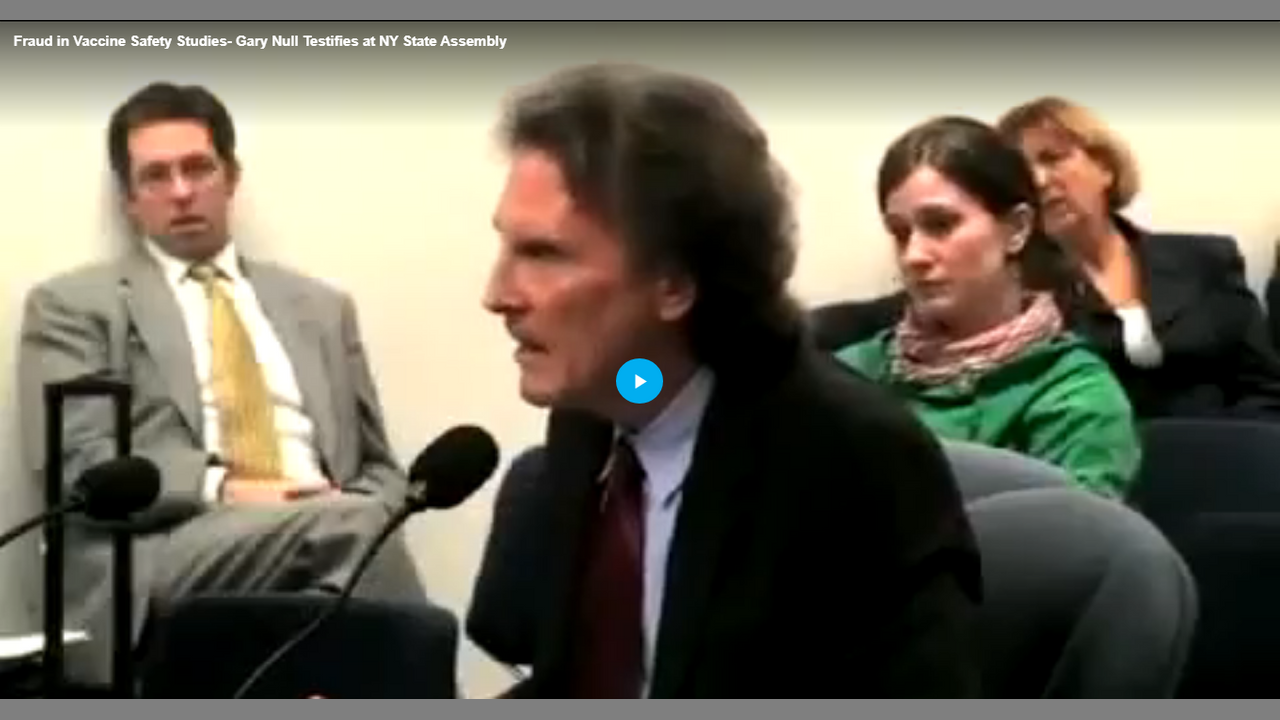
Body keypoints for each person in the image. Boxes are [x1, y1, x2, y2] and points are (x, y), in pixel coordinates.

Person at [478, 63, 982, 699]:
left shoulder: (850, 462)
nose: (497, 295)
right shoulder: (614, 402)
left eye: (543, 254)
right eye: (507, 247)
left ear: (674, 283)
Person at [17, 82, 425, 687]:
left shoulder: (321, 308)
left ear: (230, 177)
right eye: (156, 176)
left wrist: (352, 505)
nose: (181, 191)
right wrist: (228, 489)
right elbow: (79, 469)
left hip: (328, 528)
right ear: (129, 199)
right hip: (165, 545)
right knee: (357, 533)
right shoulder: (74, 306)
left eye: (198, 168)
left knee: (356, 542)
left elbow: (377, 466)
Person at [834, 116, 1141, 499]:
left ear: (1017, 229)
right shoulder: (845, 377)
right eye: (900, 232)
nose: (914, 255)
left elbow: (1071, 535)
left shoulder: (1075, 398)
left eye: (941, 224)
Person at [997, 96, 1280, 420]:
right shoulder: (1019, 291)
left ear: (1104, 168)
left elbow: (1266, 390)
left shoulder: (1205, 260)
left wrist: (1228, 444)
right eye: (1022, 173)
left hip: (1227, 444)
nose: (1039, 180)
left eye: (1053, 158)